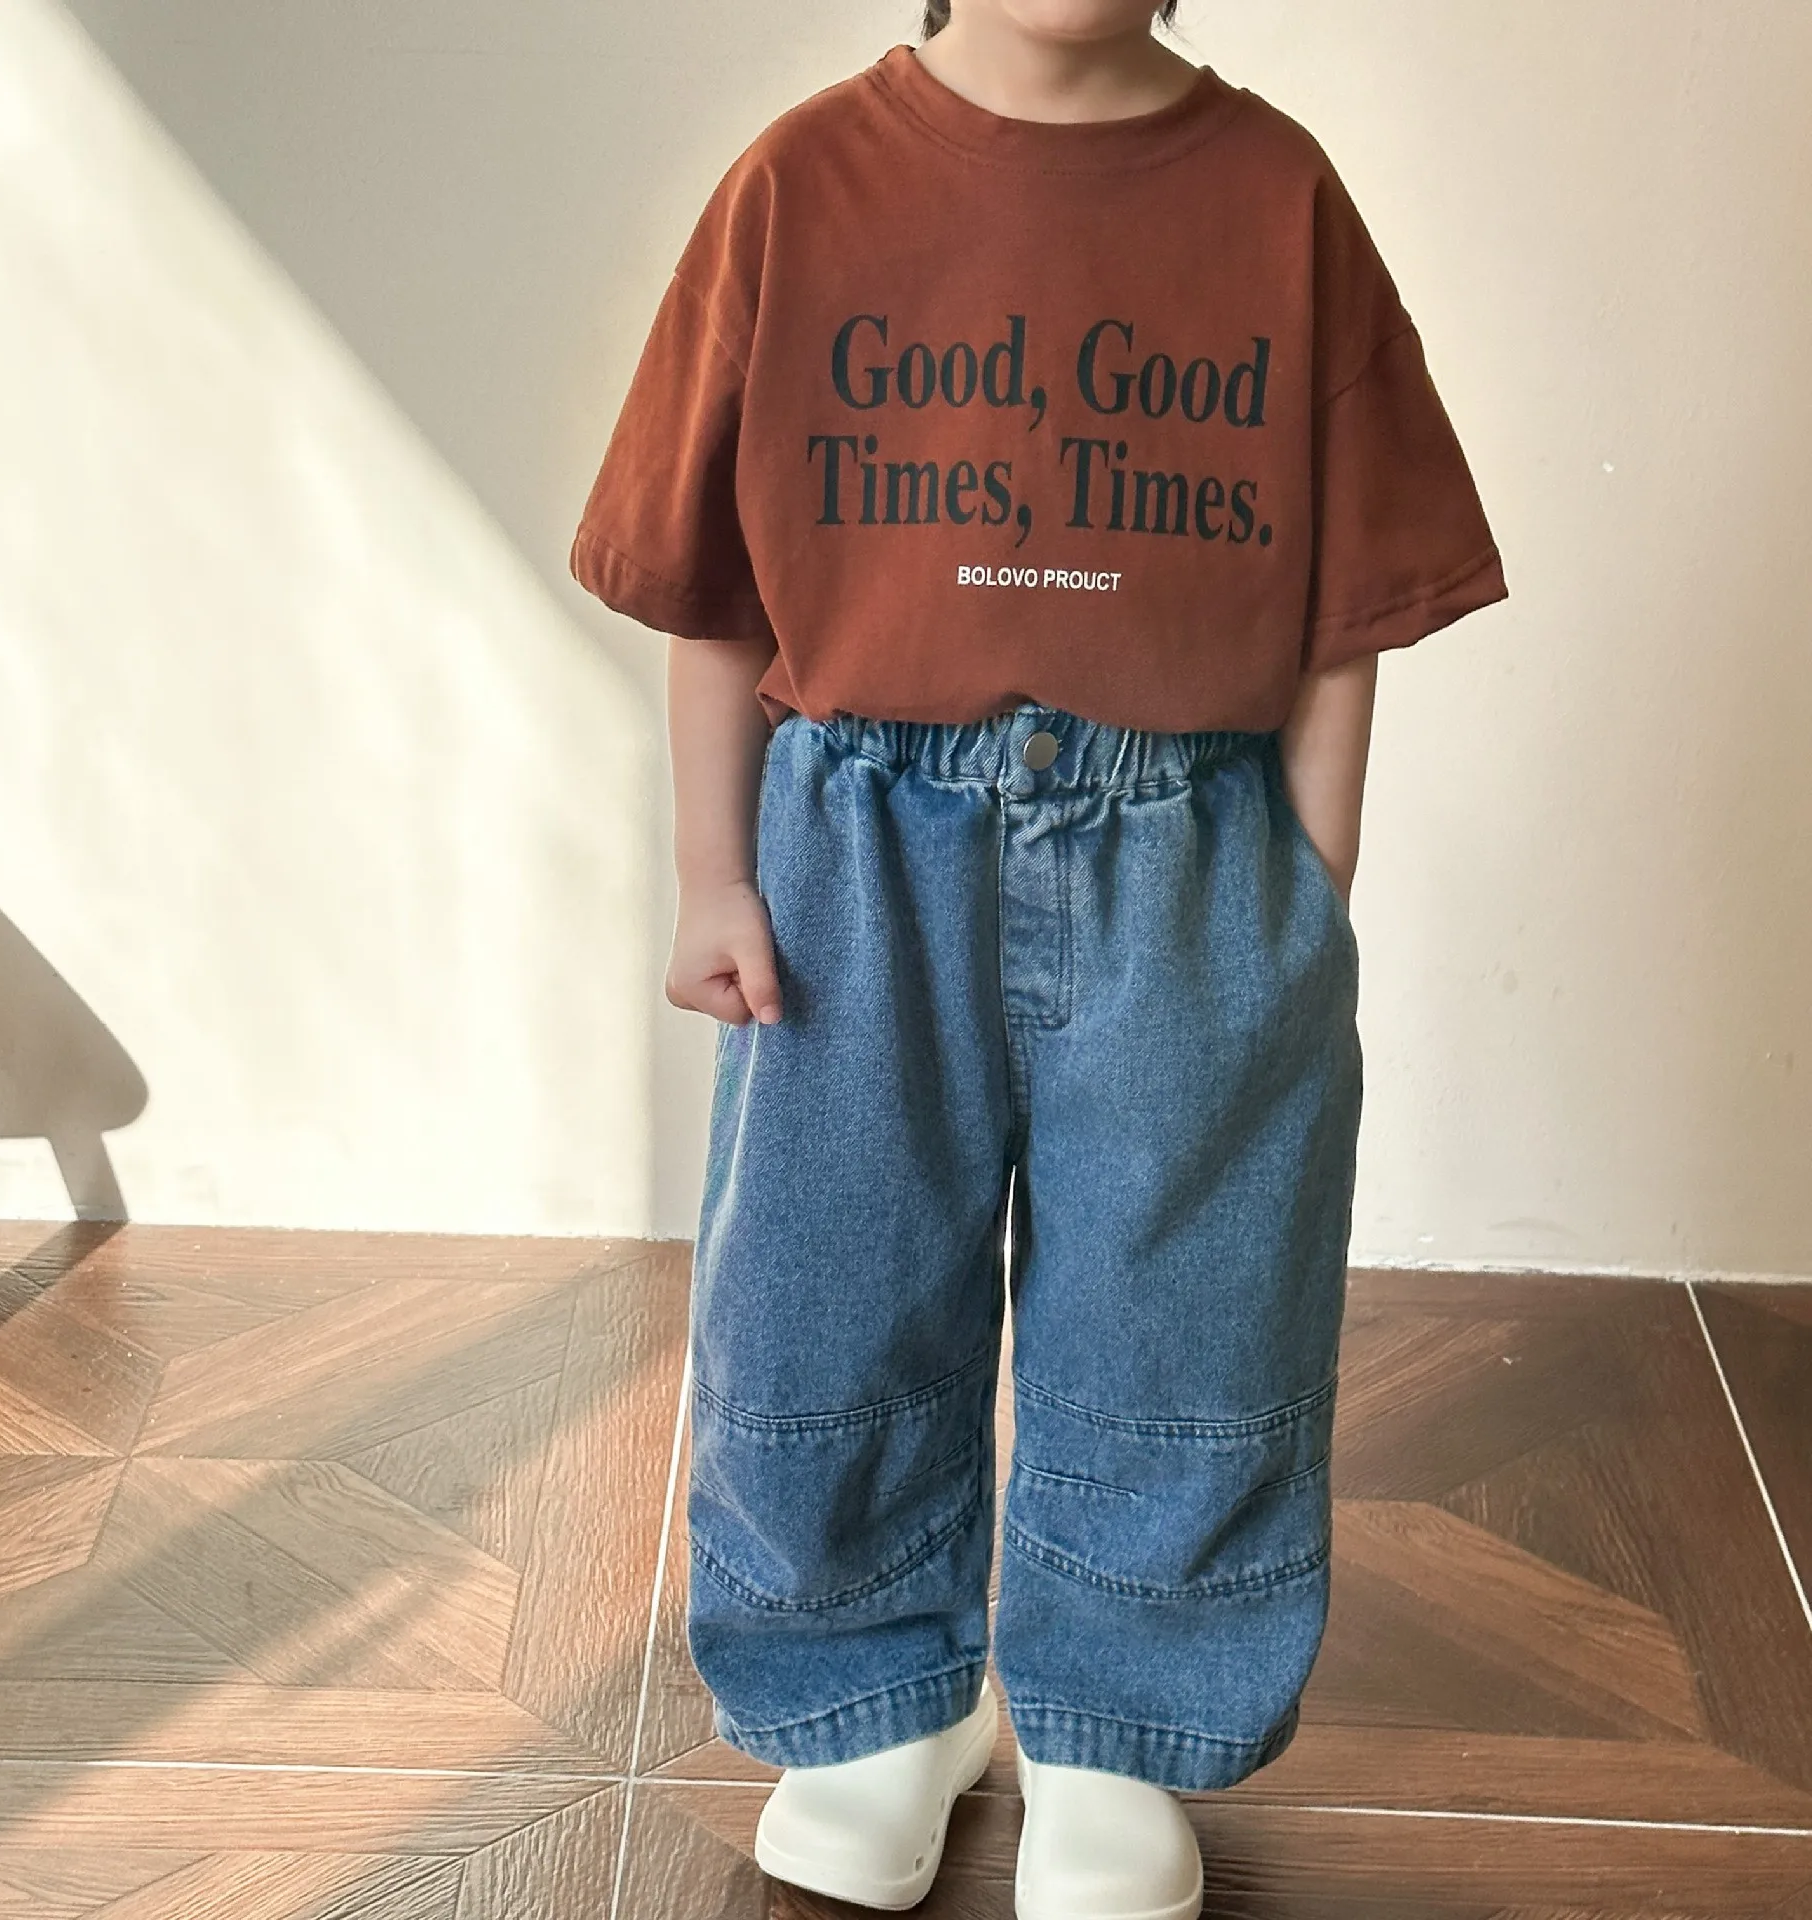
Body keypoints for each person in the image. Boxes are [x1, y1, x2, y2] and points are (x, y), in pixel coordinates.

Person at [569, 1, 1507, 1912]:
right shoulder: (800, 185)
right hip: (851, 855)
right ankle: (875, 1711)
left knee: (1192, 1305)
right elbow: (711, 590)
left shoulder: (1279, 197)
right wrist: (712, 873)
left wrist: (1303, 897)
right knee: (826, 1282)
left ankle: (1119, 1734)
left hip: (1193, 852)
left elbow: (1348, 617)